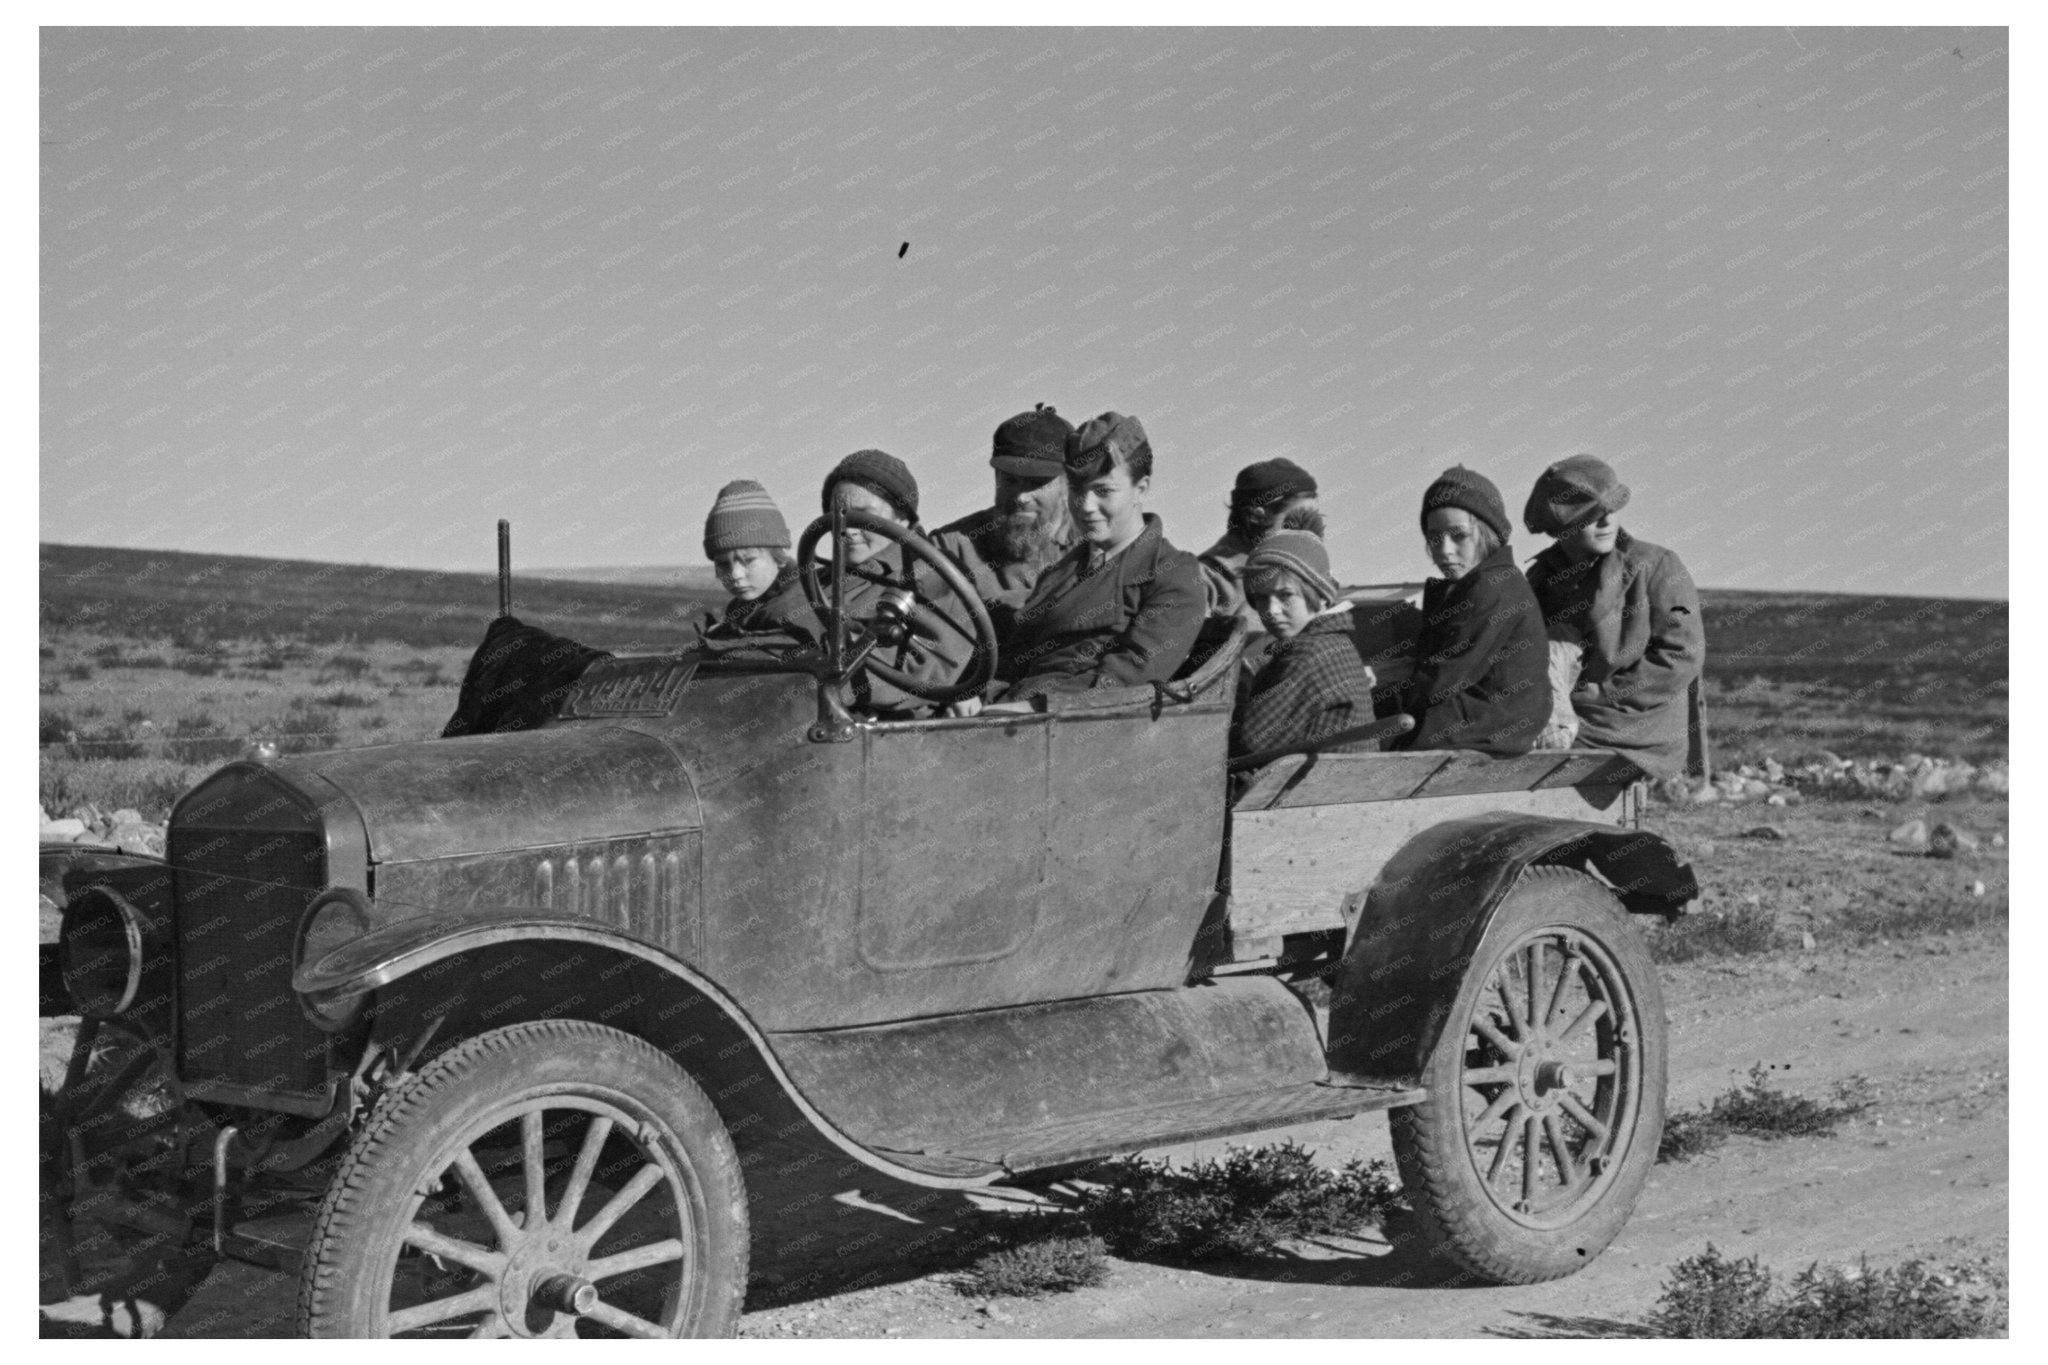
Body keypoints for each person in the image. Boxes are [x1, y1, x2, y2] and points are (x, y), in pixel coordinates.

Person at [992, 412, 1206, 704]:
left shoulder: (1172, 574)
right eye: (1077, 489)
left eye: (1103, 490)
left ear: (1141, 489)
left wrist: (1034, 708)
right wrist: (980, 697)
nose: (1086, 506)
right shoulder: (1059, 573)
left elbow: (1128, 676)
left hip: (1074, 721)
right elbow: (1012, 660)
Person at [1523, 455, 1706, 779]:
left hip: (1636, 724)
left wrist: (1610, 693)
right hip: (1568, 713)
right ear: (1560, 526)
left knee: (1533, 749)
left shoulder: (1657, 565)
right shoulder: (1541, 578)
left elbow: (1683, 652)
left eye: (1612, 509)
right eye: (1591, 515)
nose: (1607, 521)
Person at [1396, 466, 1549, 756]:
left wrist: (1382, 694)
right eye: (1434, 537)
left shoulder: (1492, 587)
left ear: (1489, 534)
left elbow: (1442, 678)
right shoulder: (1475, 585)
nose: (1444, 550)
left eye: (1459, 536)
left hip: (1487, 727)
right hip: (1480, 721)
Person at [817, 449, 978, 718]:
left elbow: (922, 676)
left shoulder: (933, 577)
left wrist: (812, 673)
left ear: (902, 518)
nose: (847, 529)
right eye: (838, 515)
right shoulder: (817, 580)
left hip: (868, 728)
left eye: (862, 516)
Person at [1230, 508, 1378, 762]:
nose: (1271, 610)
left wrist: (1239, 683)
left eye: (1285, 595)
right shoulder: (1335, 642)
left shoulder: (1308, 654)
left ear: (1321, 596)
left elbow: (1250, 741)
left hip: (1318, 785)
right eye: (1262, 598)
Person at [929, 403, 1079, 637]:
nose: (1020, 497)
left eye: (1035, 483)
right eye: (1010, 481)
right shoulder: (950, 546)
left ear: (1067, 482)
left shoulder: (1100, 547)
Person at [695, 479, 822, 646]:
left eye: (748, 560)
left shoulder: (793, 610)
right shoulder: (743, 607)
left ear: (778, 557)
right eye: (724, 564)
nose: (735, 574)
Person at [1197, 458, 1320, 621]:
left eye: (1313, 520)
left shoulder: (1308, 574)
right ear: (1257, 516)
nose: (1308, 533)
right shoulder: (1204, 579)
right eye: (1295, 522)